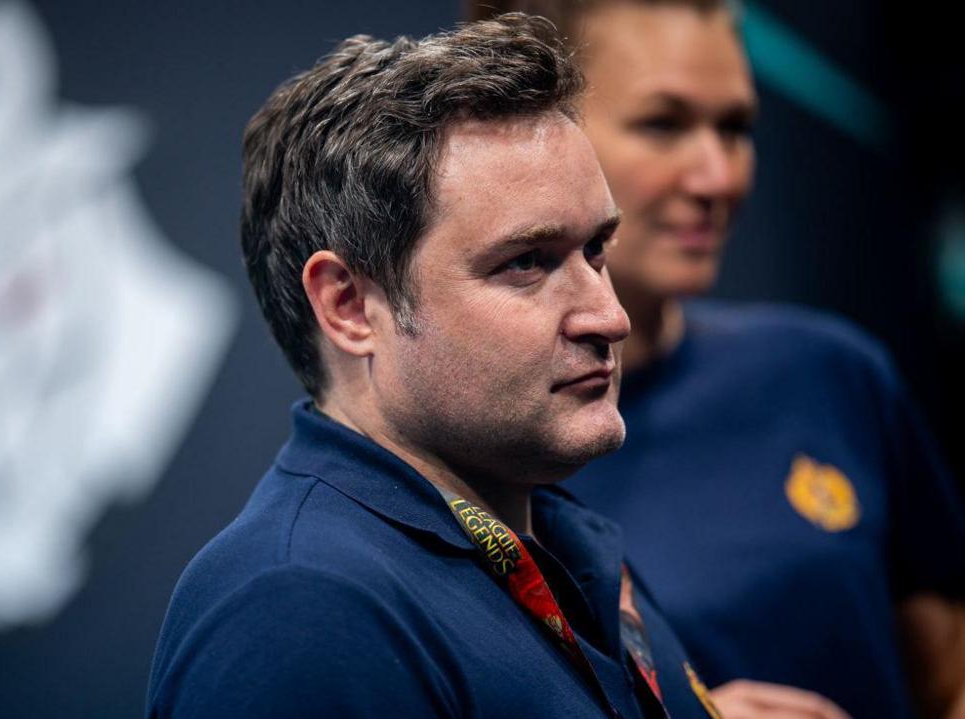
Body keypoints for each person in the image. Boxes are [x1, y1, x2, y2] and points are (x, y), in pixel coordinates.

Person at [148, 14, 727, 719]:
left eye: (595, 250)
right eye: (527, 263)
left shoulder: (549, 534)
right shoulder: (297, 612)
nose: (609, 317)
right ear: (350, 306)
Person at [466, 2, 965, 718]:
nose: (717, 177)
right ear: (528, 133)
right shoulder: (464, 476)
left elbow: (948, 676)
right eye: (663, 124)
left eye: (734, 127)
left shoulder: (831, 372)